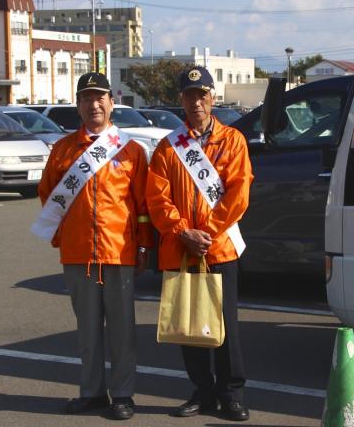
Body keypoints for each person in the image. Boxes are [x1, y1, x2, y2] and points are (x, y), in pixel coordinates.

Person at [34, 72, 152, 420]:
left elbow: (143, 206)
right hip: (79, 255)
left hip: (119, 252)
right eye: (86, 98)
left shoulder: (130, 150)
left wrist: (143, 247)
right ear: (78, 105)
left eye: (100, 97)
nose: (94, 104)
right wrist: (63, 239)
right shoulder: (63, 149)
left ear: (112, 103)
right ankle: (92, 393)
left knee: (122, 330)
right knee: (87, 330)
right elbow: (48, 197)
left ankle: (124, 395)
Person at [146, 66, 253, 421]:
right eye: (190, 95)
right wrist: (182, 233)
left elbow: (238, 194)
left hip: (218, 247)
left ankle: (232, 393)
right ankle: (203, 392)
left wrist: (205, 231)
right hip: (183, 248)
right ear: (182, 100)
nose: (197, 101)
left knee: (225, 326)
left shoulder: (233, 140)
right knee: (189, 326)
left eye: (202, 94)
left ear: (213, 97)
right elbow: (157, 199)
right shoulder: (168, 146)